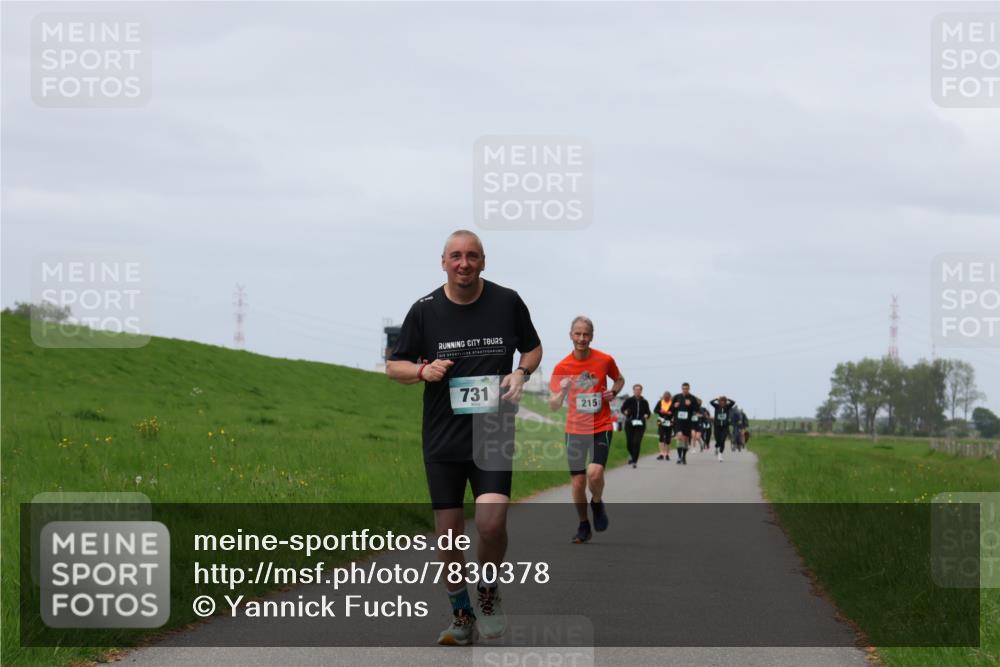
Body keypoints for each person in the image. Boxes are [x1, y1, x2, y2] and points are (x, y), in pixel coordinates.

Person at [386, 230, 542, 646]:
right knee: (450, 534)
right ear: (443, 262)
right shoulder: (424, 311)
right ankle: (461, 612)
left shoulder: (507, 302)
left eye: (472, 256)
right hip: (443, 436)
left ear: (483, 262)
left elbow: (533, 348)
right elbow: (393, 366)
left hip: (491, 431)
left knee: (491, 524)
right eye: (456, 256)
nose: (464, 263)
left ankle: (488, 594)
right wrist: (422, 371)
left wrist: (520, 373)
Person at [548, 316, 624, 544]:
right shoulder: (561, 367)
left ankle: (597, 502)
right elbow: (553, 406)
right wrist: (562, 391)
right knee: (578, 483)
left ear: (592, 336)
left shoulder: (604, 360)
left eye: (586, 334)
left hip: (601, 425)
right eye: (577, 334)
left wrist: (614, 391)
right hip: (575, 429)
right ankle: (583, 524)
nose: (582, 338)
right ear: (570, 335)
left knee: (595, 472)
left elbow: (619, 379)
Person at [668, 383, 702, 463]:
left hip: (688, 422)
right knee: (680, 437)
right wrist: (674, 406)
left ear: (689, 389)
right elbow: (670, 409)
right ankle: (679, 457)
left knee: (686, 440)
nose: (685, 390)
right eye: (683, 388)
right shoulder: (677, 397)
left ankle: (683, 456)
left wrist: (690, 405)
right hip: (678, 421)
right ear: (681, 389)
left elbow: (697, 409)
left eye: (686, 388)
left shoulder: (692, 398)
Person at [620, 384, 651, 468]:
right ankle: (631, 454)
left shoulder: (644, 401)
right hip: (630, 423)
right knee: (629, 443)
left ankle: (634, 461)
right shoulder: (629, 400)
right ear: (633, 391)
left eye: (639, 390)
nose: (637, 391)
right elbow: (622, 409)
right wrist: (625, 412)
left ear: (641, 391)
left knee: (636, 442)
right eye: (636, 390)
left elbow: (648, 413)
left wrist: (646, 416)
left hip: (640, 424)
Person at [710, 396, 737, 462]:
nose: (722, 403)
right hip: (717, 426)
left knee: (722, 440)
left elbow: (733, 402)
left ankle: (720, 454)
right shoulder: (716, 406)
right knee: (718, 440)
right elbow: (711, 402)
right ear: (719, 402)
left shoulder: (727, 407)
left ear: (725, 402)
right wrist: (716, 399)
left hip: (725, 427)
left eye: (724, 401)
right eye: (721, 401)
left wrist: (728, 399)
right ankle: (716, 447)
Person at [653, 391, 673, 461]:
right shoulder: (660, 402)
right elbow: (655, 410)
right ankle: (661, 453)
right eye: (665, 398)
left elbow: (674, 411)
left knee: (668, 437)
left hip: (669, 421)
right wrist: (660, 411)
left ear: (670, 397)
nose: (666, 399)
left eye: (667, 398)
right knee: (661, 436)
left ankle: (667, 454)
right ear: (663, 397)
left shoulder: (672, 403)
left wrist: (670, 413)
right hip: (661, 420)